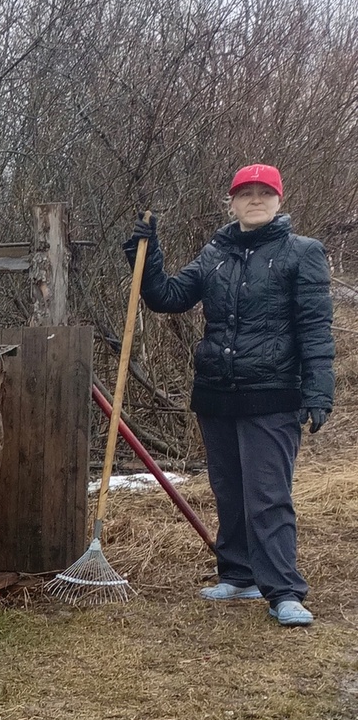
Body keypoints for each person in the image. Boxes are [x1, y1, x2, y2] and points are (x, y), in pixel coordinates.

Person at [125, 163, 333, 626]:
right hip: (216, 394)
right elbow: (167, 297)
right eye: (245, 193)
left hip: (272, 393)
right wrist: (148, 254)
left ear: (279, 200)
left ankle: (284, 590)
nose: (255, 199)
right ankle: (239, 575)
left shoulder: (303, 253)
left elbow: (316, 329)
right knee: (230, 490)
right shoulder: (214, 254)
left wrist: (319, 389)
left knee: (267, 495)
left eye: (264, 192)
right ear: (232, 202)